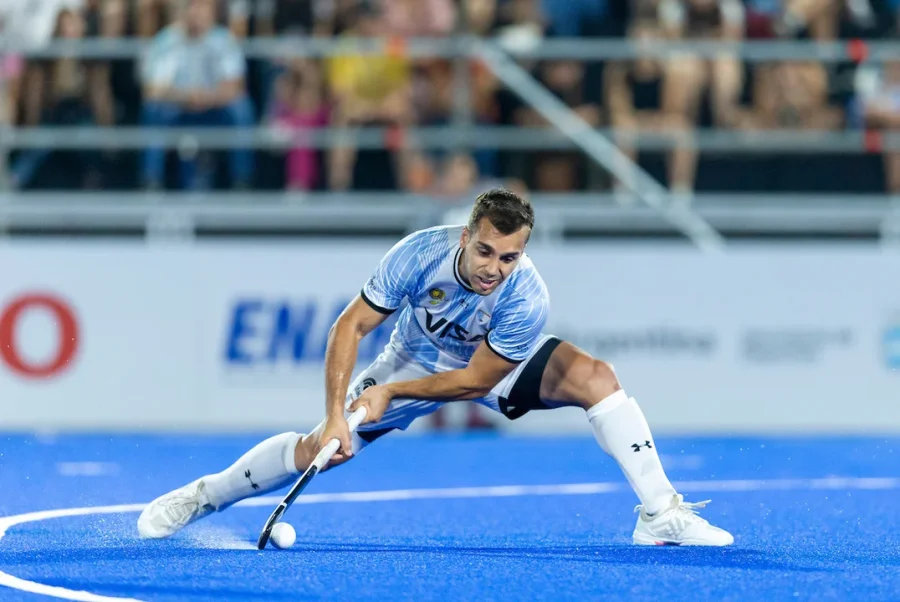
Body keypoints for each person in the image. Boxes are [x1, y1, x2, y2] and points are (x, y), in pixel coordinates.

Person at [137, 189, 734, 546]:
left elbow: (477, 381)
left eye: (510, 256)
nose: (494, 268)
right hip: (413, 353)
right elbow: (350, 327)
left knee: (596, 378)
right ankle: (203, 496)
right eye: (484, 251)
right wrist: (340, 413)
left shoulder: (526, 296)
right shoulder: (418, 254)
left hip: (489, 363)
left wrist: (392, 393)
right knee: (322, 447)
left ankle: (660, 515)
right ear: (465, 235)